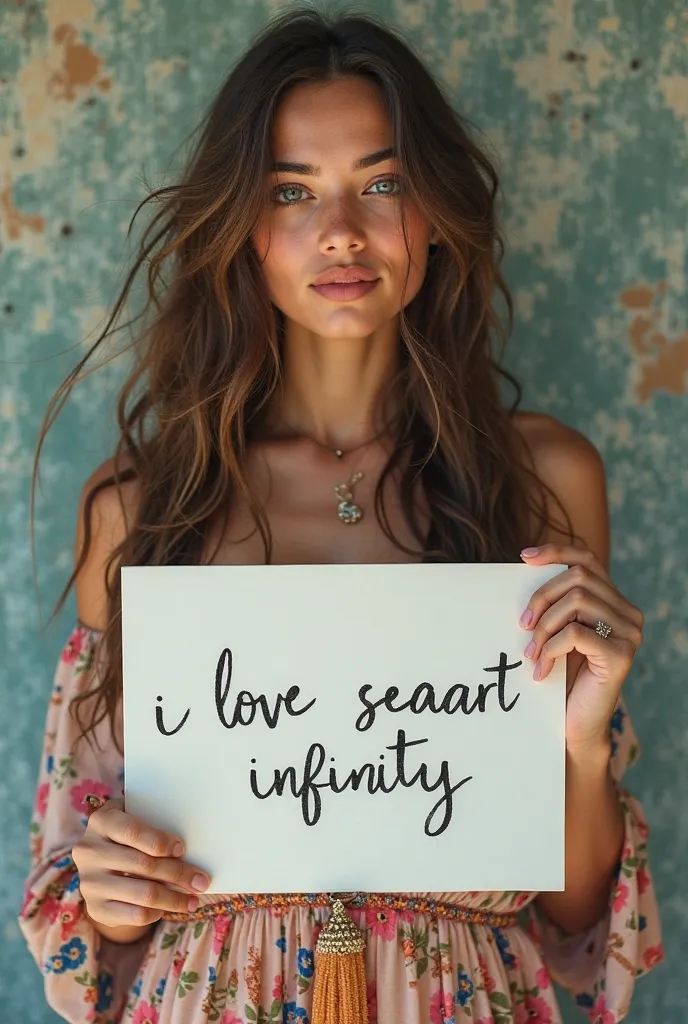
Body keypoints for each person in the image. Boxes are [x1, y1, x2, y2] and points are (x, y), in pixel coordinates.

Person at [19, 5, 663, 1023]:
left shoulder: (542, 480)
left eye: (381, 182)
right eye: (290, 189)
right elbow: (86, 900)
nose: (340, 231)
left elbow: (576, 917)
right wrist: (106, 885)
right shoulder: (141, 508)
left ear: (437, 209)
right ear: (241, 224)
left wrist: (581, 746)